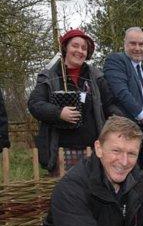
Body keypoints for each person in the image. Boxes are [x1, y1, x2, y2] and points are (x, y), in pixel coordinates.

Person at [28, 28, 121, 175]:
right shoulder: (49, 76)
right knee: (67, 194)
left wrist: (121, 122)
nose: (80, 51)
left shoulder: (96, 77)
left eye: (84, 48)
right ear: (65, 47)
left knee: (94, 193)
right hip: (61, 151)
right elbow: (35, 104)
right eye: (75, 46)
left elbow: (109, 105)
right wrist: (59, 113)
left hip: (92, 148)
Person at [103, 27, 143, 173]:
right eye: (133, 43)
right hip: (125, 131)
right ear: (125, 43)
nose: (137, 48)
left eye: (141, 44)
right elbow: (121, 93)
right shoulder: (116, 61)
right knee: (127, 176)